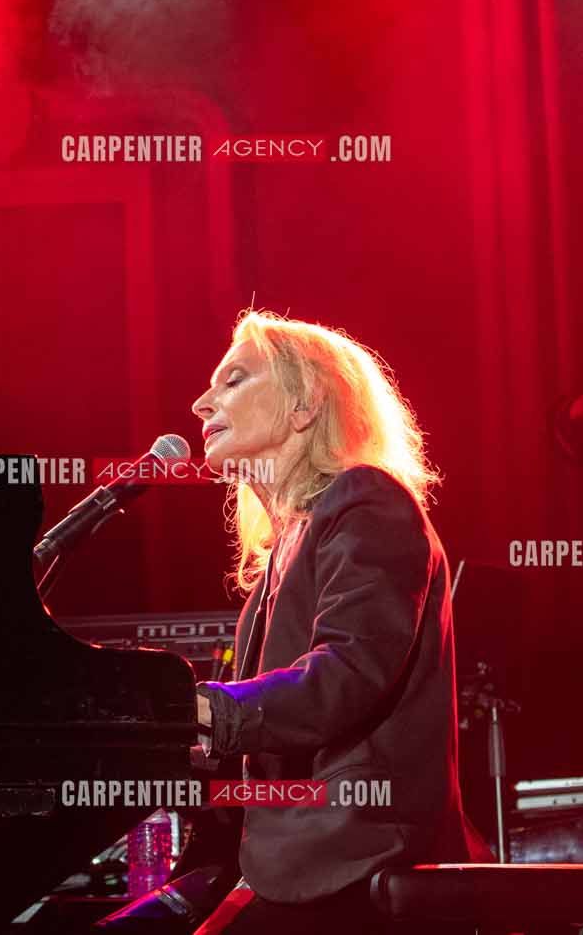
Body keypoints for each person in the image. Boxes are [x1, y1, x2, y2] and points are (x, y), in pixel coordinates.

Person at [188, 310, 484, 935]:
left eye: (233, 379)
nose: (200, 402)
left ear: (304, 405)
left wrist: (210, 711)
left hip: (356, 851)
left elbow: (350, 671)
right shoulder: (282, 553)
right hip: (288, 859)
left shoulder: (365, 498)